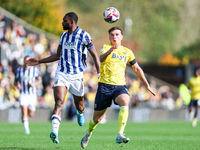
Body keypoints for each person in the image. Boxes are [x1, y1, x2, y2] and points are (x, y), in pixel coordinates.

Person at [27, 12, 100, 144]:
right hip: (62, 73)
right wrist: (39, 61)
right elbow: (57, 55)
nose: (62, 23)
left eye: (64, 21)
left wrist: (99, 73)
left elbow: (94, 55)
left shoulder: (84, 35)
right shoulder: (63, 36)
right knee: (59, 102)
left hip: (77, 76)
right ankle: (55, 131)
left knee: (80, 105)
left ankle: (79, 112)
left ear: (72, 22)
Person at [81, 26, 156, 148]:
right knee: (97, 119)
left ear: (121, 36)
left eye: (116, 34)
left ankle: (120, 133)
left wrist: (147, 85)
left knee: (125, 100)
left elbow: (137, 69)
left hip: (119, 86)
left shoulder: (127, 52)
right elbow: (100, 59)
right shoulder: (105, 47)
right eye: (112, 35)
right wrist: (109, 52)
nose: (114, 37)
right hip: (104, 86)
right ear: (109, 37)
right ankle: (88, 133)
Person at [14, 56, 42, 134]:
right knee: (24, 110)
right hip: (23, 94)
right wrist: (17, 85)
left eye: (28, 61)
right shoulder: (19, 70)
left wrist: (34, 84)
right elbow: (15, 81)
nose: (26, 62)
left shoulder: (34, 70)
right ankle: (26, 129)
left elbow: (40, 81)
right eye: (25, 60)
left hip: (32, 95)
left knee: (31, 114)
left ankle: (25, 120)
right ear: (23, 61)